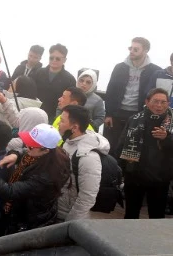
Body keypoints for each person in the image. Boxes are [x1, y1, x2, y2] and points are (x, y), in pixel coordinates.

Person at [0, 124, 70, 233]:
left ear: (46, 151)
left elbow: (10, 191)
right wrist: (15, 154)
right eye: (27, 142)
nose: (27, 146)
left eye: (31, 146)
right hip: (20, 213)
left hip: (29, 223)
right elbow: (24, 150)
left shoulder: (45, 177)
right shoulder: (43, 155)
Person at [115, 88, 173, 219]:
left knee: (157, 216)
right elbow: (121, 145)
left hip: (160, 178)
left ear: (168, 103)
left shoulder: (172, 122)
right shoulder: (134, 119)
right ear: (147, 102)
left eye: (163, 102)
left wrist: (167, 138)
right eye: (155, 101)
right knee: (131, 214)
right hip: (134, 175)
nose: (159, 105)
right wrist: (122, 171)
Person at [105, 37, 161, 152]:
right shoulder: (119, 67)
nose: (131, 51)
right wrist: (108, 114)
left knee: (132, 149)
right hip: (117, 113)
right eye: (131, 48)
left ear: (145, 51)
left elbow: (156, 95)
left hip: (139, 114)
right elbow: (111, 90)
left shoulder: (154, 71)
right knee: (111, 146)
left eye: (136, 49)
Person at [56, 105, 110, 221]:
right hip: (57, 210)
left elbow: (87, 197)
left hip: (67, 217)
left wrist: (70, 225)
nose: (58, 124)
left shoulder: (88, 157)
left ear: (74, 127)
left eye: (62, 121)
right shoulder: (67, 141)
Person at [31, 44, 76, 124]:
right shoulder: (38, 72)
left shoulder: (70, 79)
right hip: (35, 113)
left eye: (58, 58)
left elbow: (70, 103)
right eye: (51, 57)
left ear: (64, 60)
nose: (54, 60)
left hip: (54, 118)